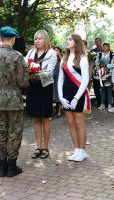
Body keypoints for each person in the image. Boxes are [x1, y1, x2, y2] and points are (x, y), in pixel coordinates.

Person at [0, 26, 29, 177]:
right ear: (12, 39)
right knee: (14, 132)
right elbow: (23, 81)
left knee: (1, 133)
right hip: (13, 100)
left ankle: (1, 168)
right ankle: (12, 167)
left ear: (1, 38)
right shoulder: (18, 56)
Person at [57, 33, 90, 162]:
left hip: (78, 94)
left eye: (70, 39)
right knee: (71, 123)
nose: (67, 41)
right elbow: (60, 80)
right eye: (67, 39)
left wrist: (76, 98)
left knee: (79, 122)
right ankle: (76, 149)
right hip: (66, 95)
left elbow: (85, 80)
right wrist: (60, 97)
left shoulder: (82, 58)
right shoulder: (64, 59)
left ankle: (82, 151)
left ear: (76, 42)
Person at [25, 30, 57, 159]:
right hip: (32, 87)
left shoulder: (52, 54)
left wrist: (35, 72)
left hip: (44, 87)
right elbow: (25, 67)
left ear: (45, 40)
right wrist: (29, 71)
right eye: (35, 39)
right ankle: (38, 147)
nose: (37, 41)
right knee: (36, 118)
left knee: (45, 117)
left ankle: (45, 147)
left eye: (40, 38)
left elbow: (49, 73)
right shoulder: (30, 52)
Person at [94, 42, 114, 111]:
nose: (105, 47)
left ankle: (109, 104)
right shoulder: (99, 54)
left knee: (109, 90)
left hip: (109, 74)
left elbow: (113, 64)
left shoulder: (113, 54)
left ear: (109, 47)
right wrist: (98, 66)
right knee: (102, 90)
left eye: (106, 46)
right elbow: (96, 63)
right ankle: (102, 104)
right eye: (104, 46)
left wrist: (105, 66)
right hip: (101, 74)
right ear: (102, 47)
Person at [91, 37, 102, 107]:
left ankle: (104, 102)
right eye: (96, 41)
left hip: (103, 71)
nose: (97, 42)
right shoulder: (92, 51)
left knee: (103, 87)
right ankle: (98, 102)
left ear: (101, 42)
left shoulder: (104, 49)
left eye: (98, 41)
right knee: (96, 87)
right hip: (95, 71)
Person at [53, 46, 63, 117]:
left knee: (59, 94)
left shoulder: (62, 58)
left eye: (57, 50)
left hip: (60, 79)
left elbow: (64, 64)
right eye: (55, 50)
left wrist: (59, 55)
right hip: (53, 79)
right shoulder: (52, 58)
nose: (56, 51)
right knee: (53, 95)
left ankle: (59, 110)